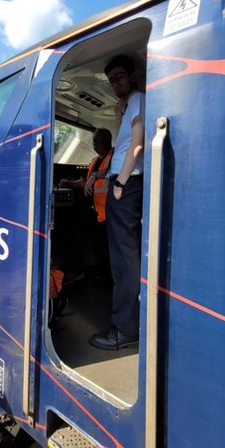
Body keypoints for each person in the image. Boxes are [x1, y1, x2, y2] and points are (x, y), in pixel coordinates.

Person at [89, 55, 145, 350]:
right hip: (124, 184)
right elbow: (126, 140)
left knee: (124, 262)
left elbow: (137, 143)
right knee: (122, 260)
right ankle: (126, 323)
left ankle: (124, 329)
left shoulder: (138, 97)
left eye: (120, 76)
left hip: (127, 184)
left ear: (133, 76)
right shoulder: (129, 104)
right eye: (111, 80)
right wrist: (118, 115)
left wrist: (120, 182)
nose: (115, 83)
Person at [59, 128, 113, 285]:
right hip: (92, 209)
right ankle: (77, 271)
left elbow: (107, 174)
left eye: (96, 141)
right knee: (78, 236)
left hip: (106, 211)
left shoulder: (114, 157)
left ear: (104, 142)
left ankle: (106, 279)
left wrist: (95, 176)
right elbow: (86, 181)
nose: (94, 144)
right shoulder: (95, 160)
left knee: (105, 248)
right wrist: (69, 182)